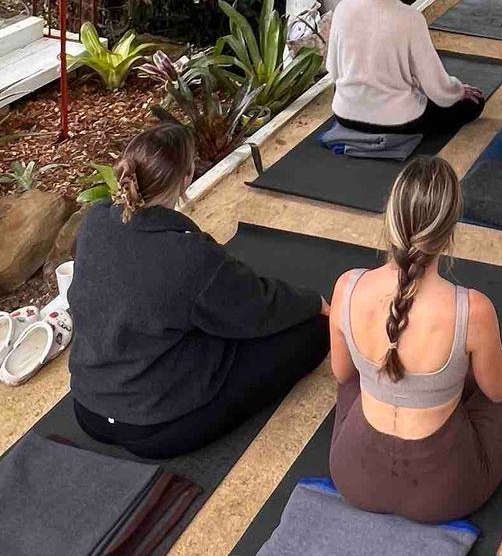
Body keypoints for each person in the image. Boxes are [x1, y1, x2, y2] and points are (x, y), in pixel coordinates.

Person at [70, 121, 329, 457]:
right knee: (312, 334)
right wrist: (313, 302)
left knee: (193, 316)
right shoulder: (190, 256)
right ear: (187, 176)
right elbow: (257, 307)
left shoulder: (94, 222)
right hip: (155, 428)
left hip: (87, 409)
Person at [328, 158, 502, 521]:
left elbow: (342, 375)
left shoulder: (347, 286)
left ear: (389, 218)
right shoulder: (473, 309)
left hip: (353, 476)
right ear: (450, 231)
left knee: (356, 375)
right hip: (443, 493)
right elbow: (499, 391)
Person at [323, 0, 486, 142]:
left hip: (346, 114)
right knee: (474, 104)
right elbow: (436, 87)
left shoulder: (343, 9)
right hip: (399, 121)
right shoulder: (410, 18)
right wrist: (457, 91)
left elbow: (334, 72)